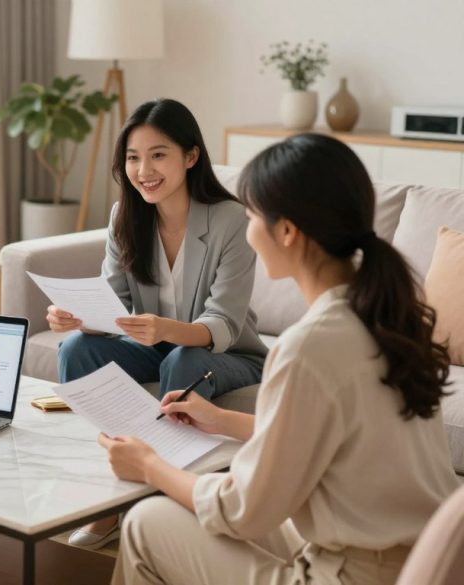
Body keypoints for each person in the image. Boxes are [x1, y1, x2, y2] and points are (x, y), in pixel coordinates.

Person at [101, 133, 459, 585]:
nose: (247, 229)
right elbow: (332, 439)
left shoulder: (310, 345)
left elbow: (242, 509)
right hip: (421, 560)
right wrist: (219, 419)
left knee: (145, 522)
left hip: (349, 574)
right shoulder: (388, 317)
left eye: (252, 216)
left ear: (287, 231)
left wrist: (149, 466)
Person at [50, 98, 268, 549]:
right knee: (75, 348)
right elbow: (116, 306)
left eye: (158, 155)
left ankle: (161, 501)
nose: (143, 169)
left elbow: (223, 324)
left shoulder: (231, 220)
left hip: (229, 355)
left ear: (191, 157)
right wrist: (78, 318)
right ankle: (109, 496)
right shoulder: (124, 217)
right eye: (133, 157)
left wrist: (166, 330)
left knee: (185, 358)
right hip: (156, 344)